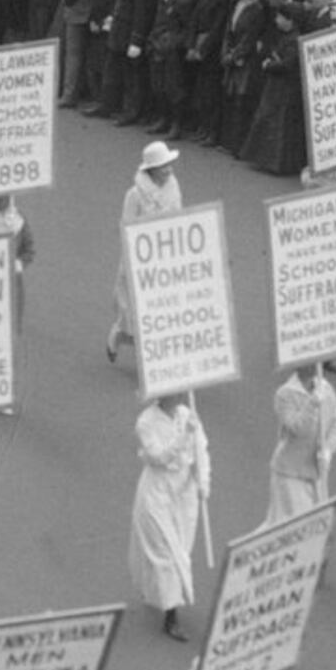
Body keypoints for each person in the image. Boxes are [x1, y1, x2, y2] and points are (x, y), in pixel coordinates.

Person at [130, 392, 211, 640]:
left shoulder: (188, 414)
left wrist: (204, 481)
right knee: (167, 553)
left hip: (183, 492)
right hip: (157, 491)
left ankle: (155, 590)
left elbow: (202, 451)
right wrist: (184, 435)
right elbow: (158, 457)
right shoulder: (146, 422)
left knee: (181, 549)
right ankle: (171, 616)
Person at [105, 138, 185, 362]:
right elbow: (126, 225)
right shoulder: (134, 195)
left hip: (167, 256)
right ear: (152, 170)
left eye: (169, 165)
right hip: (141, 258)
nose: (168, 170)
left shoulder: (173, 189)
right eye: (163, 166)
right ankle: (118, 335)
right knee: (137, 312)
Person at [268, 358, 336, 524]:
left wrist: (328, 450)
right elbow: (298, 429)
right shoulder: (284, 394)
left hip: (317, 473)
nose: (317, 365)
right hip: (290, 474)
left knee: (317, 527)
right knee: (295, 528)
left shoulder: (326, 388)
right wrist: (313, 404)